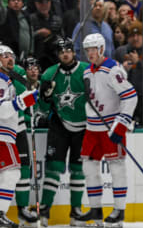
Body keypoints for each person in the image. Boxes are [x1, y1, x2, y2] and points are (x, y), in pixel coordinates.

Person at [77, 33, 137, 227]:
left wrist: (121, 123)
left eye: (93, 49)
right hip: (92, 127)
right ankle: (95, 211)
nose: (90, 53)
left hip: (110, 127)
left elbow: (130, 96)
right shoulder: (87, 71)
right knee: (89, 168)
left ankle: (119, 210)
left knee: (117, 168)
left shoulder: (113, 70)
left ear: (102, 49)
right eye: (87, 50)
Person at [36, 37, 89, 227]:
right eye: (61, 51)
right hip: (59, 125)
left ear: (74, 52)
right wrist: (44, 96)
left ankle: (76, 212)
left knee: (78, 170)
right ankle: (44, 210)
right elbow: (42, 107)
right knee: (54, 169)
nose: (65, 53)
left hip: (84, 127)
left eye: (68, 50)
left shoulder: (86, 71)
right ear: (58, 55)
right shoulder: (49, 74)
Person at [0, 45, 38, 228]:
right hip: (2, 136)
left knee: (9, 174)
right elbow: (1, 110)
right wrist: (23, 101)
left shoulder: (7, 81)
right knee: (13, 172)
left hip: (7, 135)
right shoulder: (0, 81)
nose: (10, 59)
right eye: (4, 56)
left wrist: (29, 99)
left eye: (11, 55)